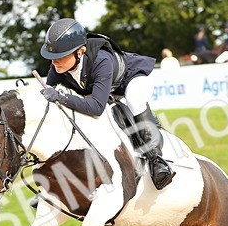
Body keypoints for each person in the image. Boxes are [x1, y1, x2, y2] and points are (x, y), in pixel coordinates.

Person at [39, 18, 174, 189]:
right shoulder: (58, 67)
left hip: (132, 78)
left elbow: (96, 108)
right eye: (52, 57)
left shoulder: (101, 60)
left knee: (134, 100)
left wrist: (62, 97)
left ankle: (157, 160)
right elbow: (48, 96)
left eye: (60, 56)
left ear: (79, 52)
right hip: (106, 89)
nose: (54, 62)